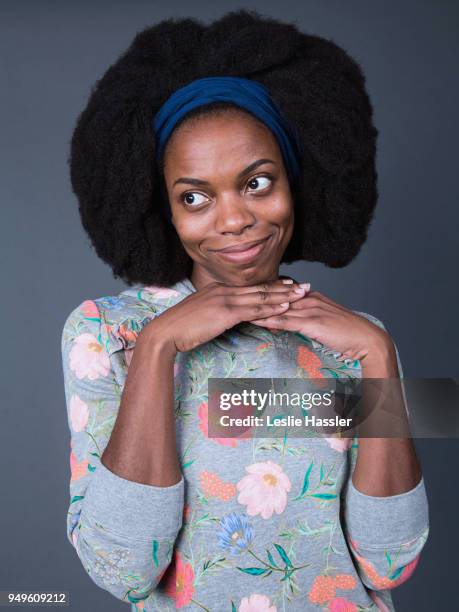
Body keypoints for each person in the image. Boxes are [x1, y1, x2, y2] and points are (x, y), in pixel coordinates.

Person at [61, 10, 429, 611]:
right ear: (164, 208)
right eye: (195, 196)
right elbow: (122, 568)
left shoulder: (358, 342)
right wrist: (157, 347)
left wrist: (379, 358)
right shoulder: (108, 333)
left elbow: (390, 563)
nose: (233, 219)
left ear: (296, 182)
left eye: (257, 182)